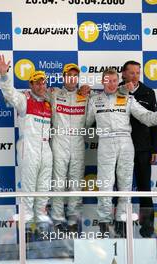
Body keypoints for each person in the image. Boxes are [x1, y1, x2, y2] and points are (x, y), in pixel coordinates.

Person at [86, 69, 157, 237]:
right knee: (105, 185)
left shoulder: (128, 98)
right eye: (108, 81)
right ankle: (105, 225)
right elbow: (85, 123)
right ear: (103, 81)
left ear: (118, 81)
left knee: (125, 184)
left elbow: (148, 118)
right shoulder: (94, 100)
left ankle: (122, 224)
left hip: (125, 142)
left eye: (115, 80)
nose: (112, 84)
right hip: (105, 142)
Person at [0, 55, 52, 233]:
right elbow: (9, 93)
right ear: (31, 85)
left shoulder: (49, 103)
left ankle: (41, 228)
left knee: (43, 190)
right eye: (37, 83)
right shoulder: (24, 100)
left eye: (43, 83)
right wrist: (4, 76)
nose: (41, 86)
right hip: (29, 148)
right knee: (28, 190)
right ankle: (26, 230)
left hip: (46, 149)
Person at [47, 63, 89, 233]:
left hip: (78, 143)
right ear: (64, 77)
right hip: (59, 141)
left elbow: (106, 99)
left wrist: (89, 91)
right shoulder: (55, 93)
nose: (72, 79)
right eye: (69, 75)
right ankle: (57, 220)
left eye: (75, 76)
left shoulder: (86, 96)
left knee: (76, 182)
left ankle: (73, 220)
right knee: (58, 182)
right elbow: (36, 95)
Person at [120, 60, 157, 237]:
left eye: (138, 72)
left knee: (144, 188)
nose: (135, 76)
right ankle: (120, 226)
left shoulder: (148, 92)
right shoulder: (116, 89)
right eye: (132, 73)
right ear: (124, 74)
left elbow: (154, 123)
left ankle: (147, 228)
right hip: (120, 147)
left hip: (143, 148)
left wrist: (155, 149)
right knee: (120, 188)